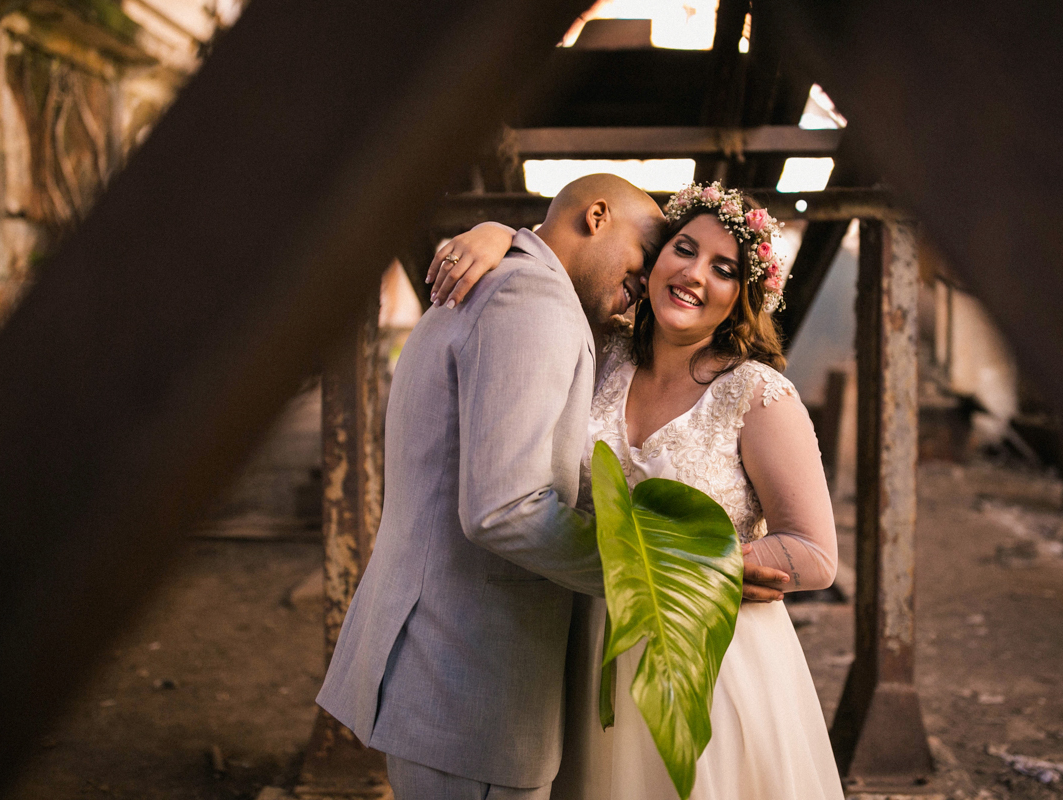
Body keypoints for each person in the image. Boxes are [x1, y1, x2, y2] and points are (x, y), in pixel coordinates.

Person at [316, 174, 790, 800]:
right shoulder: (532, 301)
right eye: (647, 254)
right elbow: (505, 509)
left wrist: (503, 235)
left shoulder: (508, 284)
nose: (645, 280)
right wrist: (664, 576)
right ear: (597, 217)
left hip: (446, 667)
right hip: (473, 682)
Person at [431, 181, 844, 800]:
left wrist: (699, 568)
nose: (695, 274)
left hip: (705, 660)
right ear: (655, 259)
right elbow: (554, 262)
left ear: (743, 298)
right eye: (684, 249)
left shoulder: (757, 395)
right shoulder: (600, 350)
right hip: (584, 645)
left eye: (724, 269)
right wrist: (496, 237)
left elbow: (815, 553)